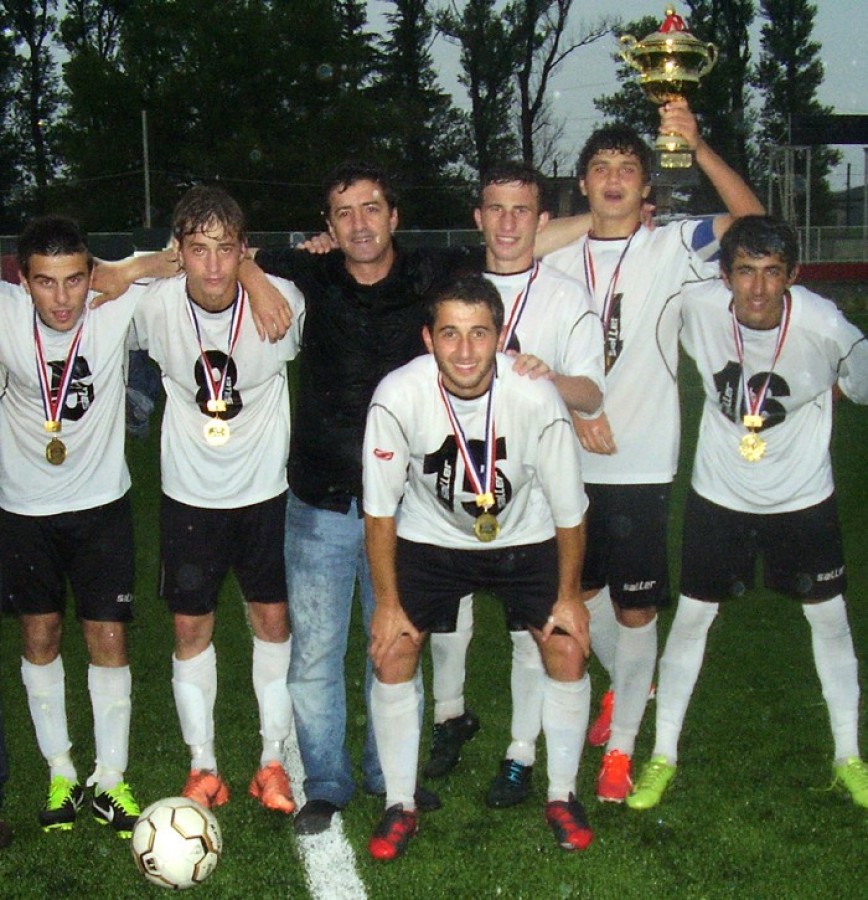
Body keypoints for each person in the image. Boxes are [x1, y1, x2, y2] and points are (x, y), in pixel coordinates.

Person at [237, 162, 494, 835]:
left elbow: (517, 243)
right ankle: (326, 782)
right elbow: (228, 249)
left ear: (395, 216)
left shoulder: (430, 273)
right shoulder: (314, 271)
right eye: (344, 213)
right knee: (315, 656)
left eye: (371, 208)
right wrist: (254, 274)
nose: (359, 224)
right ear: (327, 226)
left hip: (406, 506)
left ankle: (391, 776)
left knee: (398, 642)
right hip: (320, 503)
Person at [543, 100, 764, 802]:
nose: (613, 178)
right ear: (583, 182)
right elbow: (513, 279)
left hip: (639, 458)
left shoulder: (673, 247)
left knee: (636, 609)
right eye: (600, 168)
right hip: (563, 457)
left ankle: (622, 749)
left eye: (627, 169)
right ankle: (631, 685)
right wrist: (574, 410)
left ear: (647, 186)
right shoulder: (556, 256)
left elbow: (756, 225)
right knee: (577, 597)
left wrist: (698, 149)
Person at [627, 215, 868, 811]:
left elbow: (862, 381)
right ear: (725, 274)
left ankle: (848, 756)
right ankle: (663, 755)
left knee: (829, 620)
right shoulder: (698, 304)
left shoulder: (824, 324)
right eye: (744, 272)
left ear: (792, 275)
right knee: (692, 619)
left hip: (802, 495)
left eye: (771, 273)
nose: (757, 289)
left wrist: (825, 389)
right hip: (720, 493)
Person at [364, 274, 592, 860]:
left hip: (524, 536)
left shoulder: (536, 398)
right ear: (428, 339)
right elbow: (380, 511)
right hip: (431, 537)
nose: (465, 350)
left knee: (565, 645)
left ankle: (563, 794)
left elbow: (570, 511)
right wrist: (387, 605)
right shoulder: (397, 395)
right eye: (450, 334)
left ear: (500, 336)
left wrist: (569, 596)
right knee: (393, 649)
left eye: (479, 333)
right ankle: (399, 804)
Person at [424, 163, 604, 812]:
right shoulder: (449, 290)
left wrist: (549, 377)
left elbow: (592, 392)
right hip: (456, 481)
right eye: (495, 208)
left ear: (542, 220)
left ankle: (521, 754)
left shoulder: (566, 296)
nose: (507, 222)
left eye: (521, 210)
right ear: (478, 217)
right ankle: (450, 716)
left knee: (532, 630)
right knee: (448, 615)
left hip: (533, 494)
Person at [130, 186, 305, 813]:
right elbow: (89, 284)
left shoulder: (281, 304)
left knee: (273, 623)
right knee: (189, 627)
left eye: (225, 249)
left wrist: (257, 277)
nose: (211, 265)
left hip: (265, 493)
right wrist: (140, 266)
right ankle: (202, 764)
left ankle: (272, 760)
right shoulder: (153, 306)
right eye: (197, 249)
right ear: (178, 251)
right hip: (189, 496)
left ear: (243, 250)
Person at [0, 217, 143, 837]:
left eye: (74, 280)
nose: (62, 299)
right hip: (23, 508)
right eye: (45, 282)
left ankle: (110, 779)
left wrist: (127, 270)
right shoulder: (6, 315)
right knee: (40, 635)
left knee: (108, 638)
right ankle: (61, 772)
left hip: (102, 504)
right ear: (23, 282)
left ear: (91, 274)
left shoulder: (115, 307)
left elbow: (182, 260)